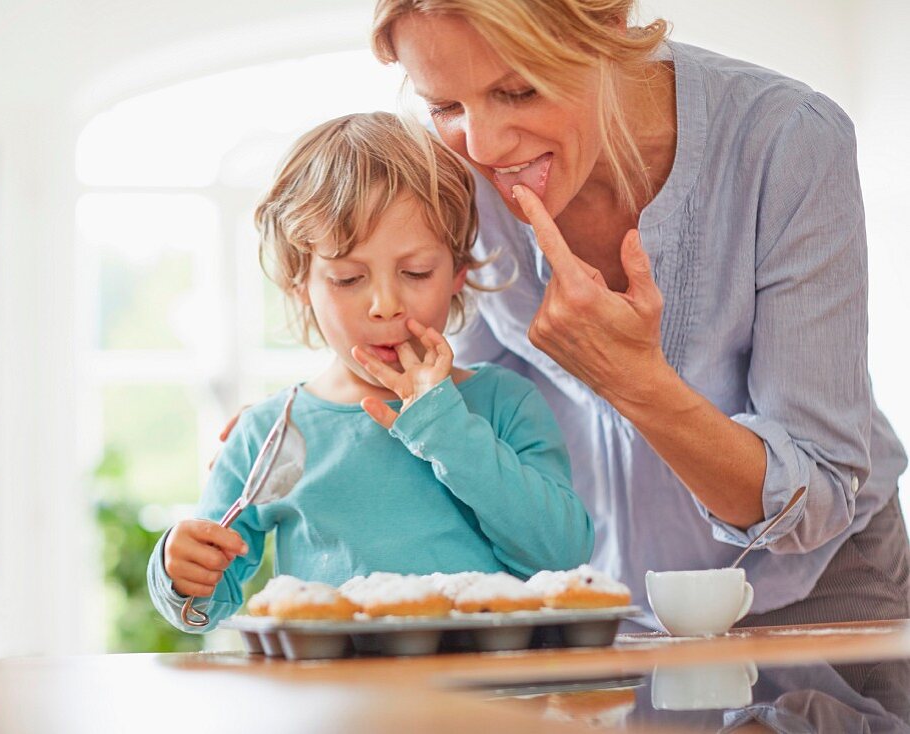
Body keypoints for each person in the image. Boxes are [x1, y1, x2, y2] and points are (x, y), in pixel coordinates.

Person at [369, 0, 909, 628]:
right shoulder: (449, 166)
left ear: (608, 27)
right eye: (444, 106)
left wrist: (635, 381)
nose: (483, 145)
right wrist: (301, 421)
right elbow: (454, 385)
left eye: (518, 91)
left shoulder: (787, 138)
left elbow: (816, 498)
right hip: (603, 591)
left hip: (814, 582)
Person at [147, 111, 593, 632]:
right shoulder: (267, 434)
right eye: (347, 277)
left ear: (457, 276)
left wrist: (444, 428)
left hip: (487, 701)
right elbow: (205, 607)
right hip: (336, 707)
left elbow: (559, 556)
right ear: (301, 287)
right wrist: (178, 571)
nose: (384, 303)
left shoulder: (504, 404)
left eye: (416, 272)